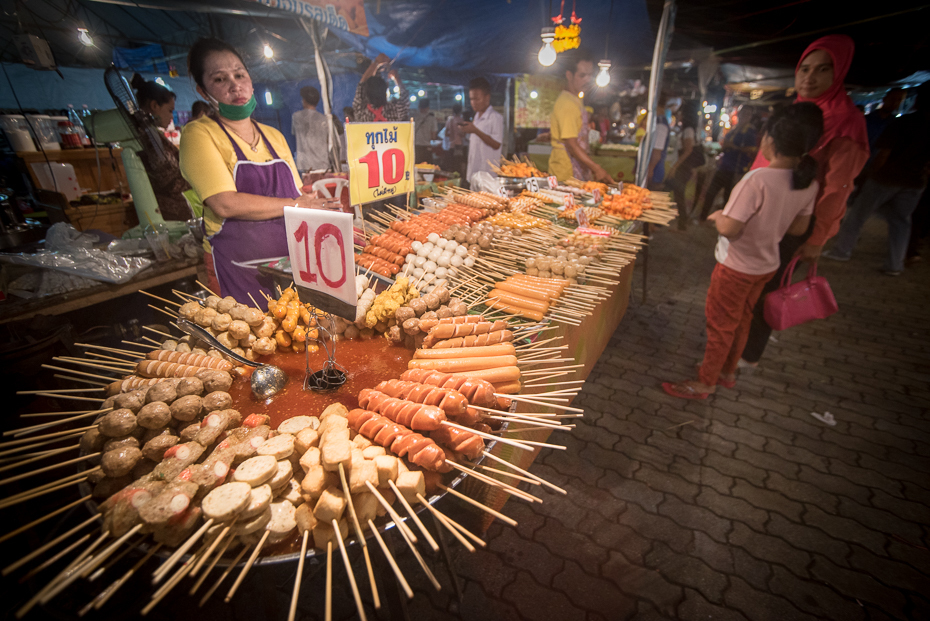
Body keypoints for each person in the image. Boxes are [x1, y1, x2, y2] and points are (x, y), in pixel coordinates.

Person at [662, 103, 824, 399]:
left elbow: (730, 229)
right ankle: (727, 372)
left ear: (769, 141)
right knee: (743, 319)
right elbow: (799, 230)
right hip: (766, 265)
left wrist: (717, 215)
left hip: (736, 267)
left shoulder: (757, 179)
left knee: (721, 325)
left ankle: (705, 382)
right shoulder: (808, 183)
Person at [739, 35, 869, 368]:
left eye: (822, 70)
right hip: (760, 218)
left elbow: (837, 187)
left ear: (838, 74)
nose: (810, 78)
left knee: (768, 288)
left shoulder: (846, 122)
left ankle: (747, 355)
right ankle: (734, 344)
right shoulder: (795, 113)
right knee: (745, 286)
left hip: (793, 223)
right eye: (805, 69)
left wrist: (817, 237)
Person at [179, 37, 330, 303]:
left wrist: (324, 212)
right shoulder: (199, 133)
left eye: (239, 74)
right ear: (203, 91)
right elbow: (224, 203)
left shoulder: (274, 136)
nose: (235, 85)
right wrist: (296, 205)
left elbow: (298, 195)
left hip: (287, 267)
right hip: (237, 269)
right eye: (220, 79)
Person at [823, 82, 930, 275]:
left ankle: (841, 251)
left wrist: (874, 173)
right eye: (895, 99)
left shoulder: (903, 123)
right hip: (913, 182)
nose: (897, 103)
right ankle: (895, 265)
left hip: (887, 178)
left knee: (858, 215)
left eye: (901, 100)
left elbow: (883, 153)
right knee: (901, 222)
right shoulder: (879, 120)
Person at [130, 74, 193, 222]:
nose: (171, 117)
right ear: (154, 106)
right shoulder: (150, 137)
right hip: (173, 211)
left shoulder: (149, 134)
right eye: (170, 110)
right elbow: (169, 181)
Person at [548, 48, 614, 183]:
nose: (588, 80)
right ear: (569, 75)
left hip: (576, 171)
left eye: (590, 75)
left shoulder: (575, 99)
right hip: (566, 175)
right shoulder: (567, 104)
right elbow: (572, 145)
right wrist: (597, 168)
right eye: (582, 75)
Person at [699, 110, 762, 220]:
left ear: (750, 116)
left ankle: (723, 220)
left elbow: (752, 149)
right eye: (742, 114)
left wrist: (734, 147)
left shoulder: (749, 131)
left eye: (746, 114)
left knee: (728, 197)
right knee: (711, 192)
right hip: (724, 166)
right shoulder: (734, 129)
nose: (743, 117)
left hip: (736, 169)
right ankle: (703, 217)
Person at [666, 100, 705, 229]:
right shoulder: (688, 129)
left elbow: (688, 150)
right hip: (683, 167)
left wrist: (675, 167)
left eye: (681, 112)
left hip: (683, 168)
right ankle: (679, 223)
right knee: (674, 192)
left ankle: (682, 224)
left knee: (677, 194)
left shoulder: (688, 130)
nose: (679, 115)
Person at [462, 77, 503, 185]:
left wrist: (475, 130)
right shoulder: (476, 116)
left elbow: (496, 144)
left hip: (488, 175)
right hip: (474, 173)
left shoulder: (495, 117)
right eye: (471, 99)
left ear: (487, 97)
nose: (473, 103)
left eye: (476, 99)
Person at [352, 53, 409, 123]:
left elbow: (361, 85)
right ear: (385, 92)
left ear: (367, 93)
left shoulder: (361, 112)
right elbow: (405, 98)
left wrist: (376, 62)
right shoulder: (394, 110)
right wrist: (396, 77)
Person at [291, 85, 330, 172]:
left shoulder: (296, 117)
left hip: (305, 165)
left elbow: (294, 133)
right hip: (323, 164)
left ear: (304, 100)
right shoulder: (324, 119)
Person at [641, 93, 671, 189]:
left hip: (654, 173)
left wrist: (650, 170)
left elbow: (656, 153)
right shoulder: (657, 122)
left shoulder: (660, 124)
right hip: (652, 171)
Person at [442, 103, 466, 176]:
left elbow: (446, 133)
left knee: (451, 164)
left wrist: (452, 135)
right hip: (459, 145)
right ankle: (459, 177)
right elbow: (463, 134)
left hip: (451, 145)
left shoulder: (450, 120)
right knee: (458, 163)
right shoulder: (461, 120)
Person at [413, 98, 438, 165]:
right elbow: (433, 135)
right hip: (427, 147)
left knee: (417, 167)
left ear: (419, 106)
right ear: (428, 107)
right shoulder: (432, 118)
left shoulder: (414, 117)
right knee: (428, 168)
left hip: (416, 146)